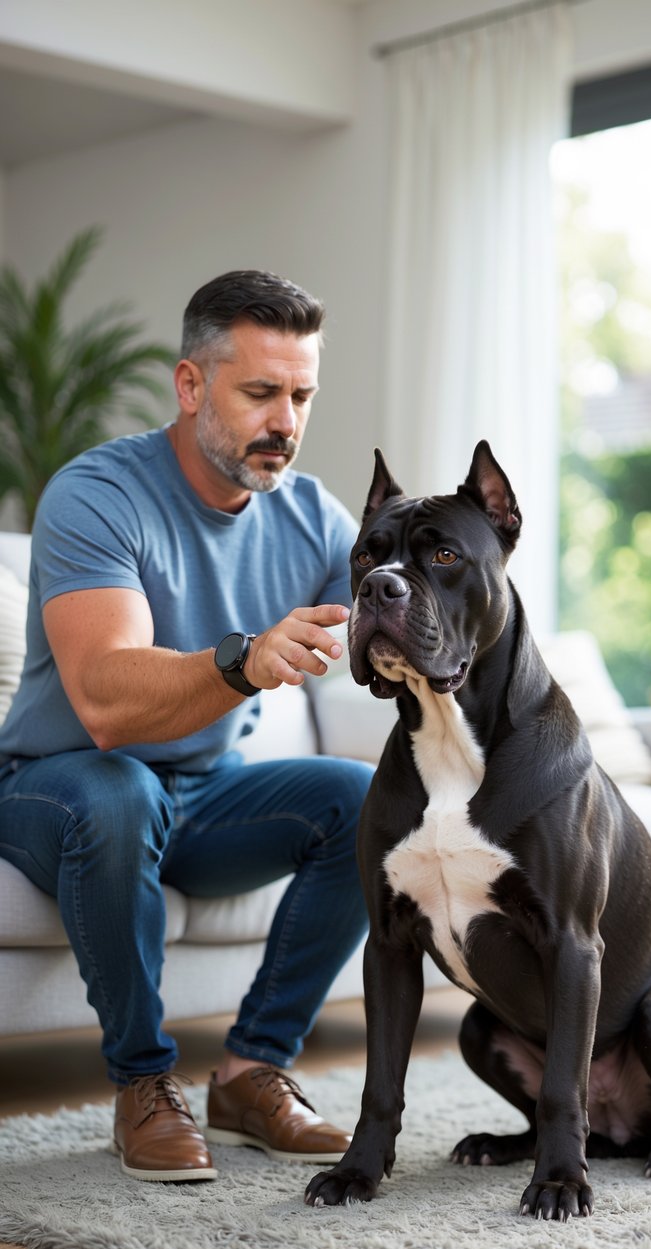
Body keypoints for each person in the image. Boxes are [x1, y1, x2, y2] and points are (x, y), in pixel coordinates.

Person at [0, 269, 373, 1182]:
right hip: (59, 785)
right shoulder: (97, 494)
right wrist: (245, 659)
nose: (285, 420)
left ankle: (252, 1073)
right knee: (119, 792)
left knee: (368, 799)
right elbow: (104, 700)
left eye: (301, 395)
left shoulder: (312, 516)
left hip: (204, 794)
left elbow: (383, 635)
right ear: (192, 385)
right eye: (261, 392)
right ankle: (143, 1084)